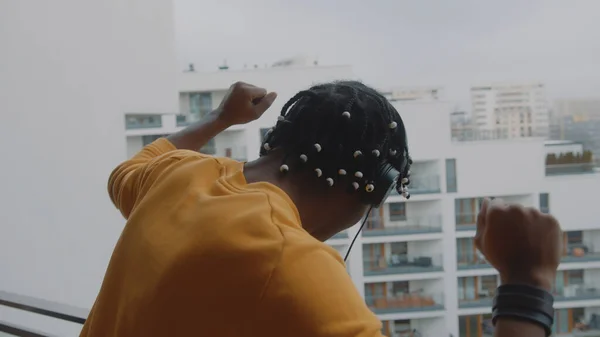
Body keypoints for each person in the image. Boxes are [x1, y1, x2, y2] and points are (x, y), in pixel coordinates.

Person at [81, 81, 563, 337]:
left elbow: (134, 165)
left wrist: (221, 117)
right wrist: (527, 284)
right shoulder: (293, 266)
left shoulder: (180, 176)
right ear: (370, 191)